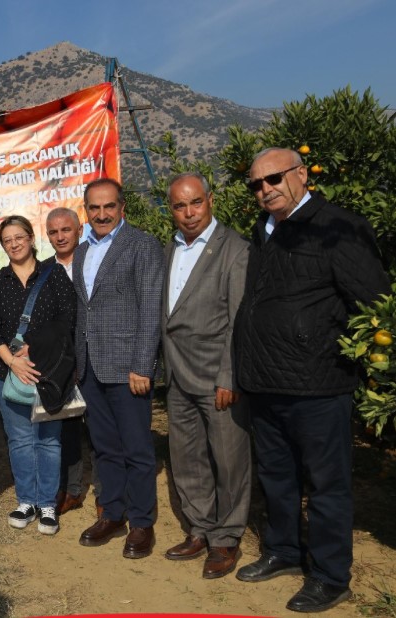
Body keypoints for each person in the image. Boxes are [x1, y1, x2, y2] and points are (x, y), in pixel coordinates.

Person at [233, 148, 389, 612]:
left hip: (318, 384)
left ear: (302, 174)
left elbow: (374, 301)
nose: (265, 189)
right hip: (265, 382)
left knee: (326, 485)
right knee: (277, 478)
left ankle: (329, 575)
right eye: (256, 185)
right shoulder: (263, 232)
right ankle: (283, 551)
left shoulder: (338, 226)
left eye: (274, 178)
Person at [160, 173, 251, 579]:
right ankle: (200, 528)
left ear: (210, 200)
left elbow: (238, 321)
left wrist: (228, 376)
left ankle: (226, 538)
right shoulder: (170, 248)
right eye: (180, 206)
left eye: (195, 202)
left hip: (218, 377)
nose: (189, 212)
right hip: (177, 376)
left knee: (230, 461)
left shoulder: (235, 249)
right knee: (187, 458)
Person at [72, 178, 165, 559]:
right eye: (94, 208)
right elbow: (85, 308)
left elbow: (150, 309)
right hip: (90, 365)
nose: (102, 214)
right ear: (86, 210)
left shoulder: (142, 245)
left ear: (122, 206)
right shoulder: (81, 252)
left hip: (128, 367)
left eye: (109, 206)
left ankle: (142, 522)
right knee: (105, 447)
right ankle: (113, 513)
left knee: (138, 448)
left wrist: (143, 365)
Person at [0, 215, 77, 534]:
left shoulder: (54, 275)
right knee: (19, 439)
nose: (14, 244)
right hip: (7, 373)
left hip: (47, 372)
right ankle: (27, 501)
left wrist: (32, 349)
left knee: (49, 440)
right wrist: (12, 361)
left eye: (19, 237)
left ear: (31, 238)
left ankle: (48, 504)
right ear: (3, 245)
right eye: (7, 240)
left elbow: (67, 320)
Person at [44, 207, 96, 516]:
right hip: (62, 363)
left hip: (96, 356)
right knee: (68, 430)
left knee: (100, 431)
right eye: (53, 232)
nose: (60, 236)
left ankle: (105, 494)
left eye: (66, 230)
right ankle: (72, 490)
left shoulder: (93, 261)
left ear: (79, 230)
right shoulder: (44, 271)